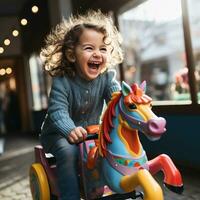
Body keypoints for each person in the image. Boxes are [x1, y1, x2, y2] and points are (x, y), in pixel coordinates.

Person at [39, 10, 124, 200]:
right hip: (59, 134)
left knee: (112, 146)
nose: (97, 54)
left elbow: (116, 99)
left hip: (91, 133)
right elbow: (57, 110)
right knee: (69, 152)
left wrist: (127, 103)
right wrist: (70, 129)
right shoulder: (63, 81)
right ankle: (70, 196)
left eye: (103, 49)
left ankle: (110, 185)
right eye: (89, 48)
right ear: (71, 55)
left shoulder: (106, 77)